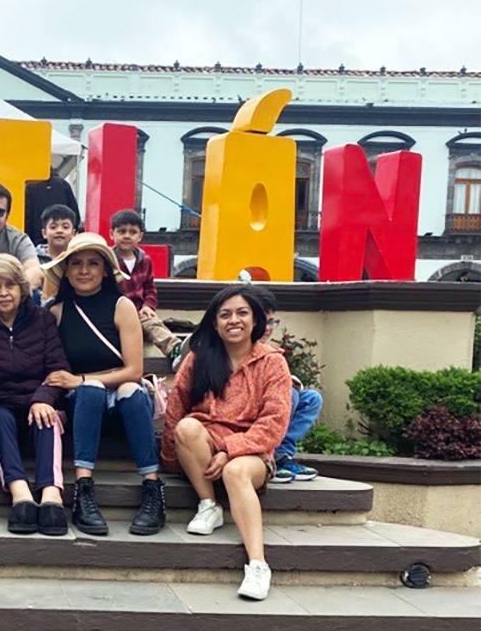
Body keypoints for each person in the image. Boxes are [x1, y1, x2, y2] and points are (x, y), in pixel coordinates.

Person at [160, 284, 292, 601]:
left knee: (235, 472)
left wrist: (232, 450)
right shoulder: (199, 358)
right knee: (188, 427)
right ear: (215, 322)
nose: (234, 320)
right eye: (225, 314)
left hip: (253, 453)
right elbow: (175, 410)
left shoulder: (272, 362)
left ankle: (258, 565)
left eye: (242, 313)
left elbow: (274, 424)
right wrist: (171, 458)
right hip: (205, 441)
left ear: (256, 320)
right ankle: (209, 505)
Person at [42, 232, 166, 537]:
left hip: (124, 403)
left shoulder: (122, 306)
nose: (84, 270)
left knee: (128, 390)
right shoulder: (55, 312)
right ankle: (83, 490)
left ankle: (152, 489)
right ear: (66, 271)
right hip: (83, 405)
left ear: (104, 270)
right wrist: (81, 384)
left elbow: (134, 370)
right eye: (77, 264)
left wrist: (82, 378)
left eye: (93, 263)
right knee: (90, 390)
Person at [0, 254, 72, 535]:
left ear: (21, 287)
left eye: (10, 285)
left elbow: (58, 368)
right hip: (0, 402)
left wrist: (42, 397)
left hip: (36, 400)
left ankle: (51, 496)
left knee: (48, 417)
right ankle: (21, 495)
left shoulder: (42, 319)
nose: (3, 293)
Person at [246, 285, 322, 483]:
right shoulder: (240, 345)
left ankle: (283, 454)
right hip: (250, 409)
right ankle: (273, 458)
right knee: (290, 394)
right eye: (264, 322)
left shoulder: (269, 350)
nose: (268, 328)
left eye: (272, 322)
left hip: (273, 406)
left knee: (312, 399)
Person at [109, 209, 182, 369]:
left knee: (152, 324)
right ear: (111, 234)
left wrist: (148, 305)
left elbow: (150, 288)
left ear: (140, 236)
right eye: (121, 231)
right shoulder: (108, 260)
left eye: (133, 232)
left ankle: (176, 350)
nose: (127, 236)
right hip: (116, 311)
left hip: (139, 311)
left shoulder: (145, 260)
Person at [24, 168, 78, 246]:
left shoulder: (29, 186)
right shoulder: (63, 184)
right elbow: (75, 214)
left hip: (36, 241)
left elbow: (27, 217)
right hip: (64, 240)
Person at [36, 203, 79, 301]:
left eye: (65, 227)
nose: (59, 231)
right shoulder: (34, 258)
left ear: (73, 233)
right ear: (44, 233)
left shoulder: (78, 258)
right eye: (53, 227)